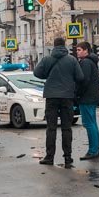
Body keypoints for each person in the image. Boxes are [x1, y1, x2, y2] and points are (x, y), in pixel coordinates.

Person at [33, 37, 83, 166]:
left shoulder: (47, 59)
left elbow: (36, 73)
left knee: (51, 128)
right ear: (64, 46)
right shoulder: (72, 60)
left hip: (51, 97)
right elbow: (80, 77)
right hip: (67, 97)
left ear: (54, 46)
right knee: (66, 128)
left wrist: (48, 76)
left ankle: (49, 157)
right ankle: (67, 158)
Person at [75, 41, 99, 160]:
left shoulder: (85, 63)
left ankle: (93, 151)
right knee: (92, 124)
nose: (77, 52)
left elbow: (83, 81)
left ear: (86, 50)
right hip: (92, 96)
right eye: (77, 50)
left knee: (89, 124)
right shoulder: (91, 61)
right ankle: (95, 149)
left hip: (87, 97)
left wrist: (77, 94)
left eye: (79, 50)